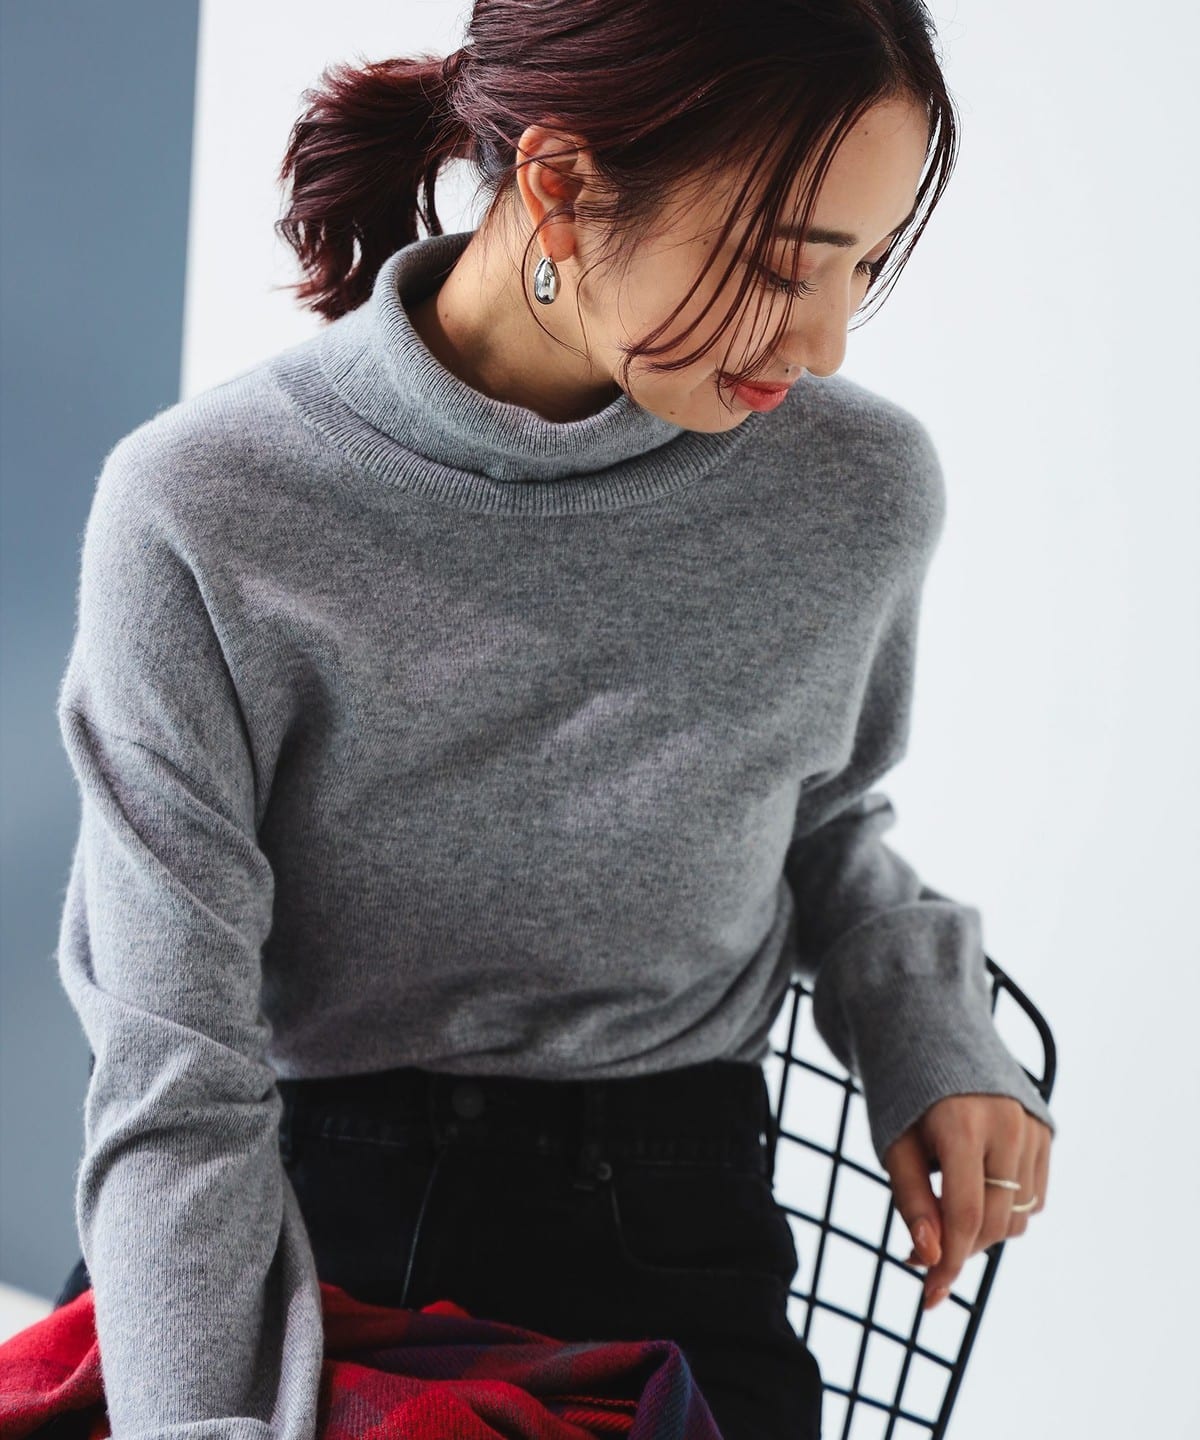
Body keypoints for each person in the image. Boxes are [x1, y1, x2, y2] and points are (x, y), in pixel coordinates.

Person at [49, 2, 1056, 1436]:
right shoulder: (203, 509)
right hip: (277, 1220)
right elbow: (176, 1073)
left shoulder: (855, 487)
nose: (829, 342)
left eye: (868, 265)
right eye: (785, 265)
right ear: (563, 184)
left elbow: (819, 812)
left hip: (665, 1223)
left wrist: (921, 1015)